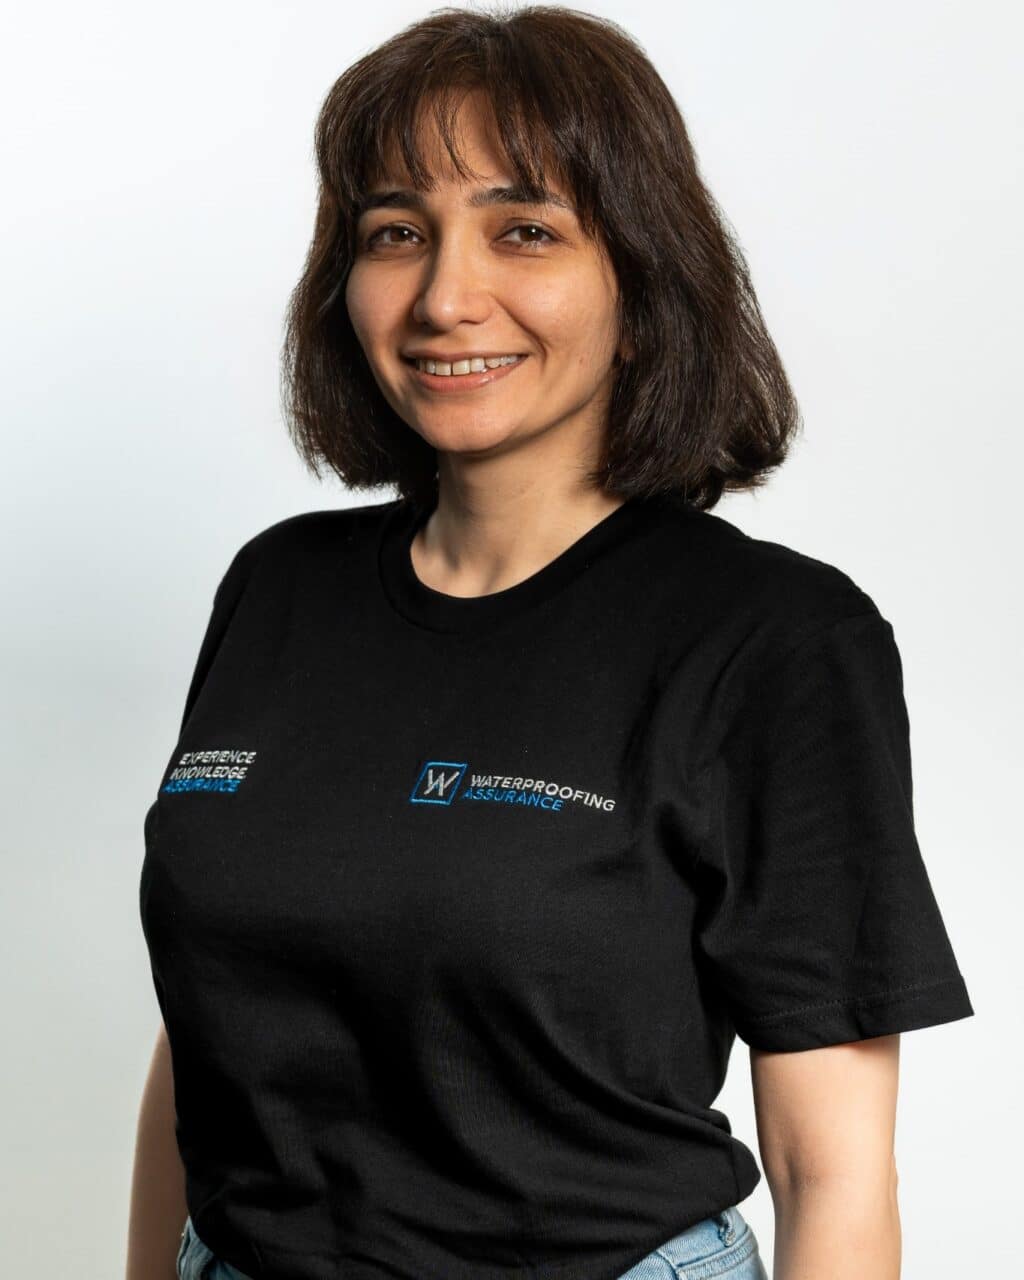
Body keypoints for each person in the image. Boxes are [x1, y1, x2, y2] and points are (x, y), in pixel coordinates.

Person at [126, 7, 974, 1280]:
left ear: (639, 281)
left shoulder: (775, 638)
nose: (445, 295)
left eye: (525, 230)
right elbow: (202, 1032)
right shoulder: (277, 586)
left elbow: (832, 1168)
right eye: (396, 233)